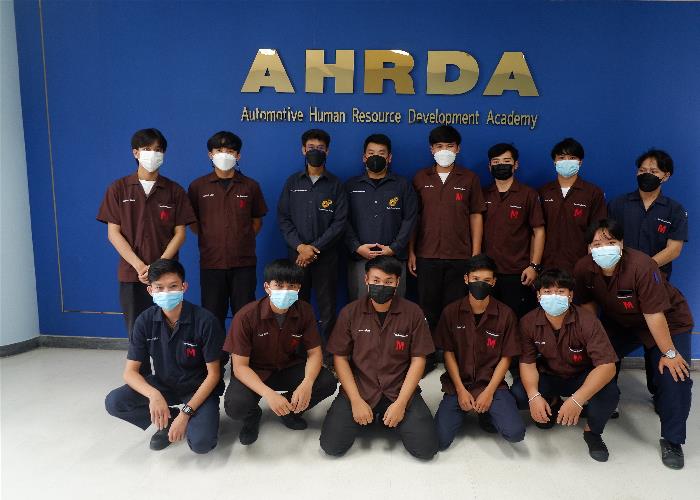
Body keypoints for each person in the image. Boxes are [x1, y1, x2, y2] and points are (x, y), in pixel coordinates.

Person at [574, 218, 693, 469]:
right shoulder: (584, 268)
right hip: (622, 322)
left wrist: (670, 353)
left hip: (667, 320)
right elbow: (587, 303)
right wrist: (593, 335)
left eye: (610, 242)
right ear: (588, 247)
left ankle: (672, 440)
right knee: (598, 359)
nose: (603, 248)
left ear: (622, 243)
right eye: (596, 244)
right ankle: (602, 411)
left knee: (675, 374)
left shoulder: (642, 266)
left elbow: (654, 314)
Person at [97, 128, 195, 374]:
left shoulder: (174, 191)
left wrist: (158, 267)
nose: (153, 154)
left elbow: (180, 233)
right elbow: (113, 233)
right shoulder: (118, 188)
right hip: (133, 274)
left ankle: (172, 375)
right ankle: (140, 379)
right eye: (147, 149)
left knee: (171, 325)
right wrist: (140, 266)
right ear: (135, 153)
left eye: (158, 150)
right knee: (136, 329)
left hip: (167, 276)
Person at [320, 256, 438, 459]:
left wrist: (401, 403)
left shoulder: (413, 313)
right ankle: (371, 415)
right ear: (366, 279)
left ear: (397, 283)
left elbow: (419, 359)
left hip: (398, 390)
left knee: (426, 449)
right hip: (360, 389)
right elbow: (340, 358)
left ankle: (388, 416)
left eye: (388, 281)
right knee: (332, 447)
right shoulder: (350, 313)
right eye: (376, 280)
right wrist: (355, 401)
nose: (381, 286)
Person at [104, 259, 225, 453]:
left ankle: (193, 416)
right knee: (115, 402)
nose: (166, 292)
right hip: (163, 384)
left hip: (198, 388)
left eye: (173, 286)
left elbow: (214, 375)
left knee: (202, 444)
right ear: (150, 290)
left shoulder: (205, 321)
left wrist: (186, 413)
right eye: (159, 287)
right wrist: (154, 395)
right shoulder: (144, 321)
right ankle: (169, 418)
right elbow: (130, 372)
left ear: (184, 287)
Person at [223, 259, 337, 445]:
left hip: (287, 367)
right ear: (267, 287)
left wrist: (307, 383)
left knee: (327, 381)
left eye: (291, 286)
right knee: (236, 406)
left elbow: (315, 353)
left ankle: (289, 409)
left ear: (299, 288)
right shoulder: (246, 316)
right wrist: (269, 395)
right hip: (255, 371)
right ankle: (252, 416)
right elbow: (240, 367)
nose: (285, 290)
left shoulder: (305, 311)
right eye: (279, 285)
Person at [511, 268, 619, 462]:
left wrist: (578, 399)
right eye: (547, 291)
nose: (554, 296)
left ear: (570, 296)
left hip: (581, 377)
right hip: (549, 375)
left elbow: (607, 366)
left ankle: (592, 433)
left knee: (610, 393)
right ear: (538, 296)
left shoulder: (588, 321)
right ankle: (552, 403)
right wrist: (534, 396)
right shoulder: (528, 322)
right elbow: (527, 363)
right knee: (519, 393)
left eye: (560, 291)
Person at [607, 149, 689, 399]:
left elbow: (674, 249)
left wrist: (643, 268)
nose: (647, 174)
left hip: (655, 284)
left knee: (655, 338)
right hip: (618, 283)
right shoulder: (619, 204)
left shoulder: (674, 210)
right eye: (642, 170)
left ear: (666, 176)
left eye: (653, 171)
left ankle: (657, 392)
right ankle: (609, 396)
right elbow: (607, 240)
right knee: (611, 339)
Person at [409, 125, 486, 368]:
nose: (444, 150)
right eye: (439, 146)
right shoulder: (420, 178)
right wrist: (411, 251)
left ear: (458, 148)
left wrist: (475, 253)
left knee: (456, 310)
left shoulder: (469, 178)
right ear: (431, 149)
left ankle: (454, 354)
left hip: (460, 255)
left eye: (449, 146)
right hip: (427, 254)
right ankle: (428, 356)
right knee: (427, 309)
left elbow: (476, 215)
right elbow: (413, 218)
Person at [433, 254, 525, 450]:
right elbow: (448, 353)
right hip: (458, 385)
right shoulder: (451, 312)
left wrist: (488, 392)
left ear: (494, 282)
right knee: (439, 440)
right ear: (466, 279)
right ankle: (463, 410)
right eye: (475, 279)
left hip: (491, 384)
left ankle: (487, 413)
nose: (480, 284)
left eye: (486, 280)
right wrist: (460, 390)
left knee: (515, 433)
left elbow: (507, 357)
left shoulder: (506, 314)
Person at [188, 131, 268, 329]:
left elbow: (256, 221)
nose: (224, 155)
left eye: (230, 151)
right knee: (212, 315)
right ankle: (215, 350)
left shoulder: (250, 186)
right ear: (210, 154)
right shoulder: (198, 186)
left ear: (238, 155)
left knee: (245, 315)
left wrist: (241, 238)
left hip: (243, 263)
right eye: (219, 150)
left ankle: (241, 351)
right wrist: (212, 237)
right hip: (212, 263)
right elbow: (193, 223)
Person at [277, 129, 348, 352]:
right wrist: (300, 247)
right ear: (303, 150)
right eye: (311, 148)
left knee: (327, 307)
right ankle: (297, 351)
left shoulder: (335, 185)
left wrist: (313, 248)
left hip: (326, 257)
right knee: (296, 305)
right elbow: (284, 218)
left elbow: (340, 222)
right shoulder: (292, 182)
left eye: (320, 148)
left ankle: (328, 354)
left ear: (327, 151)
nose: (315, 151)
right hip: (297, 257)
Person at [345, 133, 417, 300]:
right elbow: (343, 221)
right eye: (371, 153)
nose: (375, 157)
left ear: (389, 157)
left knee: (396, 307)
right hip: (360, 259)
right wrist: (357, 247)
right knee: (360, 306)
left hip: (394, 259)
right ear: (364, 157)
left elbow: (410, 219)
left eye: (381, 153)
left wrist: (394, 248)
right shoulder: (350, 186)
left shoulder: (403, 185)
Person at [482, 143, 545, 318]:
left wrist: (534, 266)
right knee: (490, 320)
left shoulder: (528, 194)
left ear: (515, 164)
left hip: (518, 272)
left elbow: (538, 231)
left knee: (517, 319)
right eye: (496, 162)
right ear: (489, 166)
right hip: (487, 271)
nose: (501, 165)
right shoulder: (482, 193)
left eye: (506, 161)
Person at [538, 137, 606, 274]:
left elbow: (598, 232)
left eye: (572, 158)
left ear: (580, 162)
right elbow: (536, 230)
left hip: (580, 265)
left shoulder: (593, 193)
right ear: (554, 162)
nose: (566, 161)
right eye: (561, 157)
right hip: (547, 265)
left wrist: (592, 264)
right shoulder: (543, 192)